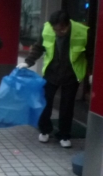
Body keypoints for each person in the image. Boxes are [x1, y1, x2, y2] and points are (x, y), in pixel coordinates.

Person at [18, 10, 91, 148]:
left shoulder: (82, 32)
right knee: (45, 103)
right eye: (55, 29)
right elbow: (38, 48)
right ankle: (45, 130)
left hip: (72, 74)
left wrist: (92, 73)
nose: (58, 32)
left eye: (61, 29)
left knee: (67, 106)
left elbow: (91, 53)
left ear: (68, 25)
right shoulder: (47, 29)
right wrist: (28, 62)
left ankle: (64, 135)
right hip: (51, 73)